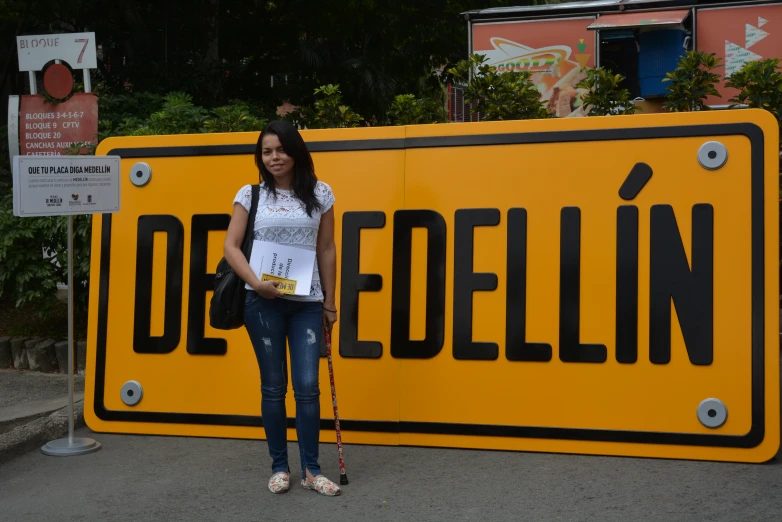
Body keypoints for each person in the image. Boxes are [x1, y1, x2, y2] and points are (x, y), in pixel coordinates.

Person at [223, 120, 340, 496]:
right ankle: (279, 467)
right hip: (262, 303)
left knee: (308, 388)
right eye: (267, 152)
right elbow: (231, 246)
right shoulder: (250, 194)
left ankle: (311, 469)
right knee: (273, 387)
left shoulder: (321, 193)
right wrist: (255, 283)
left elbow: (326, 249)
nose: (274, 157)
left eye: (281, 149)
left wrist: (331, 303)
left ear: (296, 151)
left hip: (307, 303)